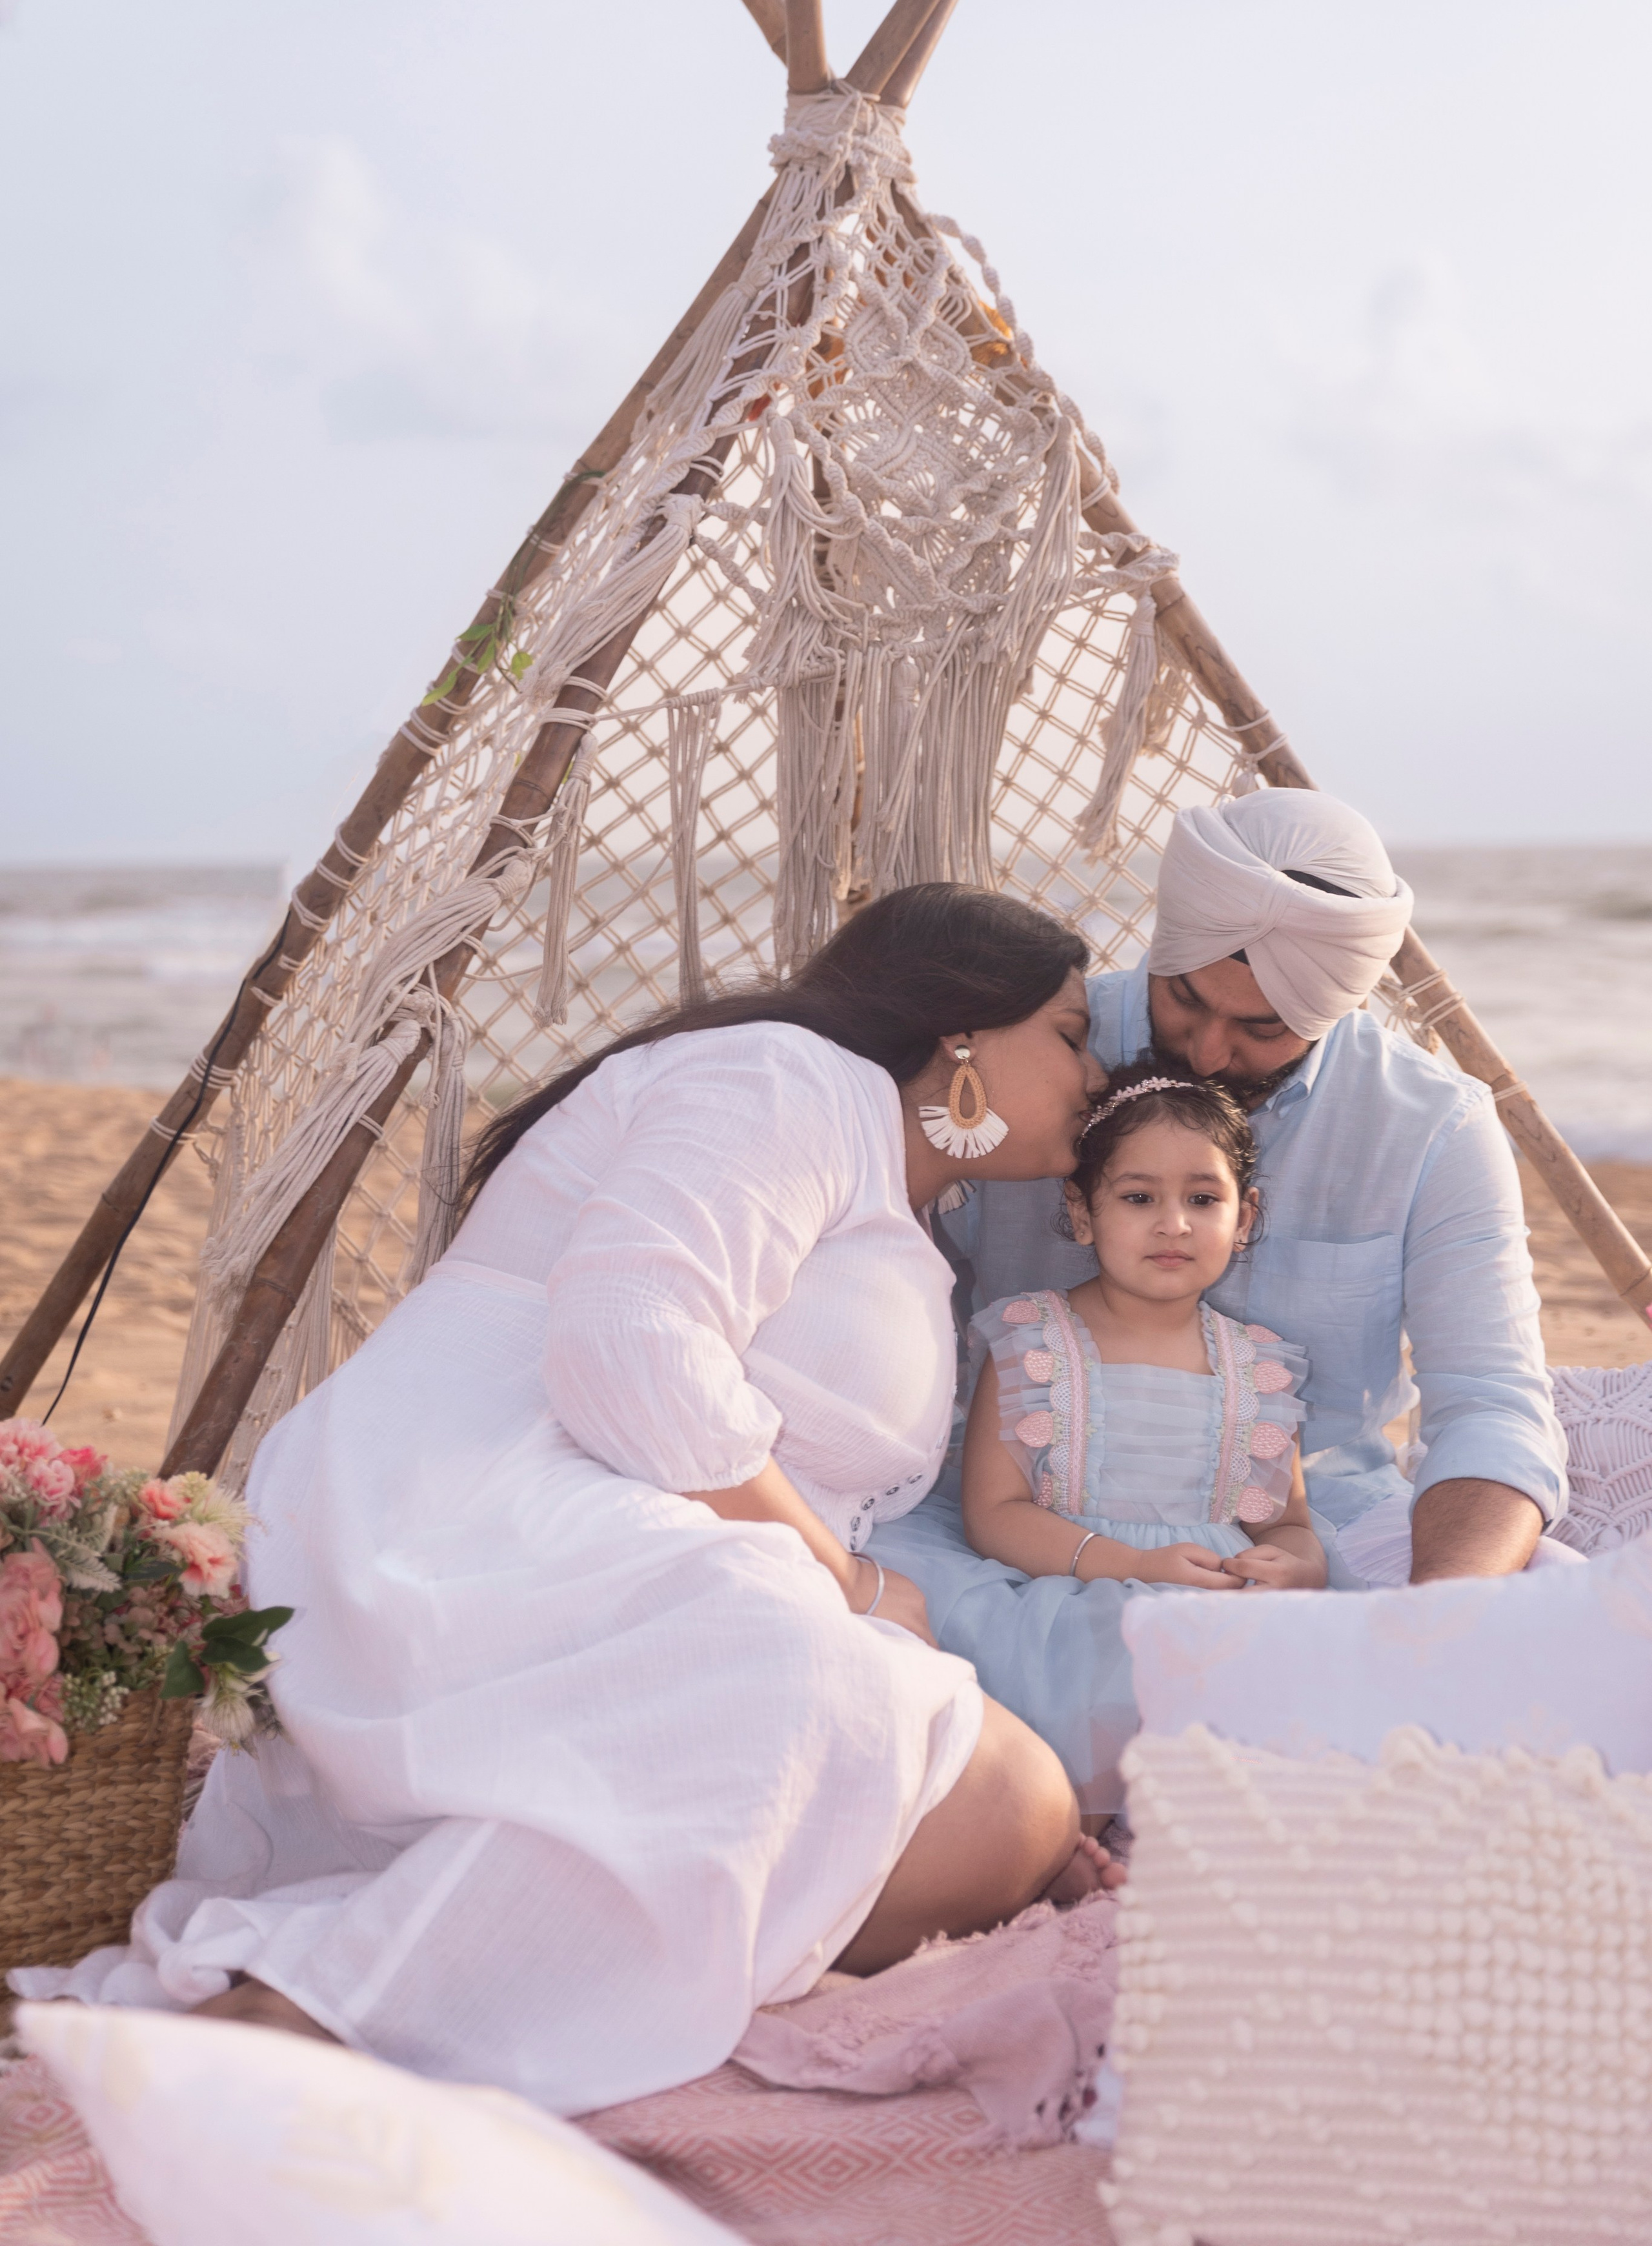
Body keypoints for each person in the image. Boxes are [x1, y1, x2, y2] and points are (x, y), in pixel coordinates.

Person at [14, 887, 1120, 2115]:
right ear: (965, 1034)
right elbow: (627, 1343)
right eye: (1072, 1032)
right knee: (876, 1722)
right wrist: (844, 1585)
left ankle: (404, 1955)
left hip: (598, 1520)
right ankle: (320, 2004)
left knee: (1003, 1805)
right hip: (460, 1502)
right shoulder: (785, 1079)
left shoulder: (902, 1190)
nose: (1095, 1071)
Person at [871, 789, 1570, 1810]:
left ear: (1336, 1008)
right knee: (868, 1628)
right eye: (1183, 999)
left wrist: (1432, 1621)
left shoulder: (1430, 1129)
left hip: (1308, 1530)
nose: (1204, 1054)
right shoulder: (1028, 1060)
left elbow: (1495, 1407)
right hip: (1015, 1522)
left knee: (1540, 1653)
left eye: (1263, 1028)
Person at [962, 1063, 1325, 1604]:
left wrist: (1300, 1565)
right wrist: (1131, 1565)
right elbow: (992, 1514)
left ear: (1244, 1219)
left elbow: (1285, 1523)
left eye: (1202, 1199)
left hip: (1216, 1608)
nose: (1174, 1224)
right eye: (1139, 1197)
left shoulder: (1259, 1369)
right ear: (1081, 1210)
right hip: (1067, 1598)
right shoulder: (1032, 1345)